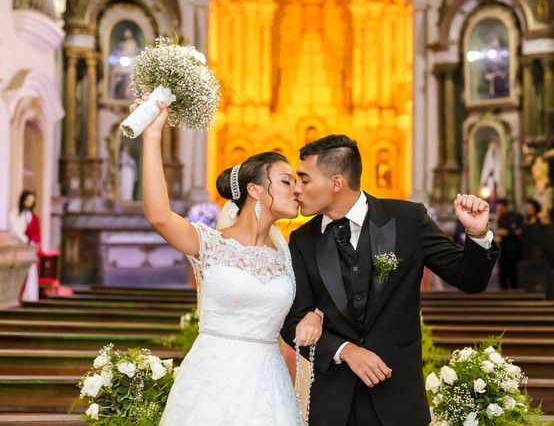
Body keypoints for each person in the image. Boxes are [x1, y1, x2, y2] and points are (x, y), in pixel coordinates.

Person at [281, 135, 500, 426]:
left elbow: (470, 280)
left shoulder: (408, 219)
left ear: (335, 183)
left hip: (399, 399)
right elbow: (292, 320)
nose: (297, 189)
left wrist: (477, 234)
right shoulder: (301, 239)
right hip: (333, 405)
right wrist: (344, 351)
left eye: (304, 179)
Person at [129, 95, 323, 425]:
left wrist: (316, 315)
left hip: (268, 386)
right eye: (286, 181)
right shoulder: (211, 244)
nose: (297, 191)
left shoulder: (291, 256)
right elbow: (159, 216)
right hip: (210, 382)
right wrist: (152, 137)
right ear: (256, 190)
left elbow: (320, 295)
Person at [9, 190, 41, 301]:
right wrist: (25, 240)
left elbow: (37, 235)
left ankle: (28, 299)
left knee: (30, 276)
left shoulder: (34, 217)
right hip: (18, 250)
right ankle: (15, 298)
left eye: (32, 201)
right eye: (28, 200)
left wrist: (33, 243)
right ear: (23, 200)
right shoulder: (14, 214)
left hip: (29, 251)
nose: (29, 203)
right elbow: (15, 231)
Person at [495, 198, 523, 290]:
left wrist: (507, 232)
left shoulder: (516, 217)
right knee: (502, 275)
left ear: (505, 208)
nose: (499, 210)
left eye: (500, 208)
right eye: (498, 209)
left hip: (513, 251)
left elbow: (519, 232)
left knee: (513, 275)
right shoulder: (500, 218)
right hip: (503, 251)